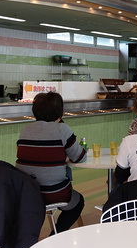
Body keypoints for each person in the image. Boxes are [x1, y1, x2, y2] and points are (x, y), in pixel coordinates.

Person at [16, 92, 86, 233]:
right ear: (59, 112)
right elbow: (79, 157)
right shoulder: (62, 129)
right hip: (53, 193)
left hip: (27, 193)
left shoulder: (25, 130)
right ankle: (55, 235)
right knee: (79, 201)